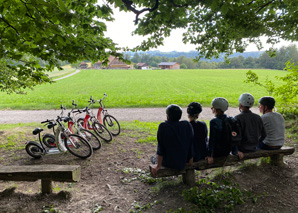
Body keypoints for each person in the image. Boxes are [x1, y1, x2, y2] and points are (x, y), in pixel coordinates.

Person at [151, 104, 194, 176]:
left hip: (169, 163)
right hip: (182, 161)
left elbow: (160, 148)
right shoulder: (186, 125)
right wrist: (190, 159)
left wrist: (158, 166)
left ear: (168, 116)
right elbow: (190, 143)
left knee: (153, 158)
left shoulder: (163, 126)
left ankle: (155, 160)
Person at [234, 93, 266, 158]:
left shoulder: (237, 118)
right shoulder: (258, 117)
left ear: (240, 104)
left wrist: (237, 150)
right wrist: (256, 143)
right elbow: (264, 134)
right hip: (254, 148)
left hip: (242, 149)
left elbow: (236, 137)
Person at [206, 97, 231, 164]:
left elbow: (212, 139)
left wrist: (209, 155)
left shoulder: (214, 122)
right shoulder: (230, 119)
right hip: (227, 151)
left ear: (218, 109)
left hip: (218, 152)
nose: (211, 108)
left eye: (213, 107)